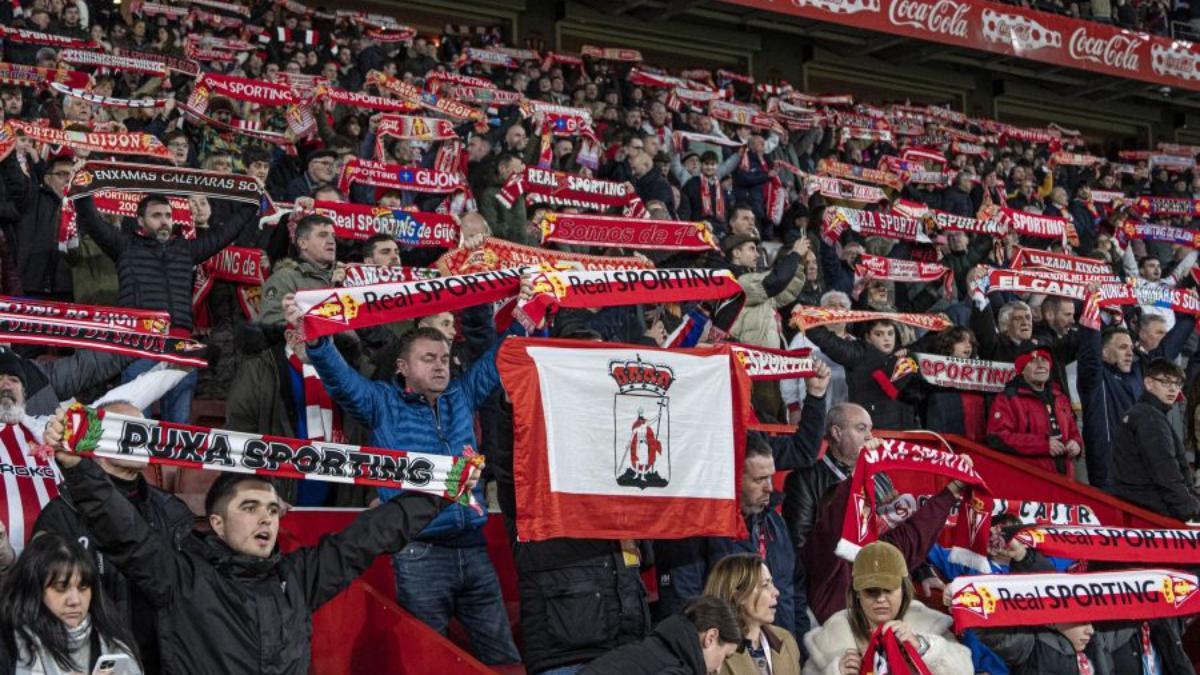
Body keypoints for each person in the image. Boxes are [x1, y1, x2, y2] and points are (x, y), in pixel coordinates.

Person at [39, 407, 451, 675]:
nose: (265, 519)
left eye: (272, 510)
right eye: (250, 507)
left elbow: (365, 539)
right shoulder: (181, 579)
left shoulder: (298, 577)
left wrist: (439, 492)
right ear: (216, 523)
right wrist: (79, 469)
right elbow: (123, 531)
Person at [284, 290, 526, 665]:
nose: (440, 366)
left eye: (444, 359)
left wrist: (526, 313)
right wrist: (317, 339)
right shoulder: (380, 403)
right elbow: (340, 380)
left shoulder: (461, 395)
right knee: (428, 662)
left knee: (504, 661)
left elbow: (498, 359)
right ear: (402, 366)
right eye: (428, 359)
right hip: (419, 555)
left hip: (474, 550)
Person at [32, 401, 194, 675]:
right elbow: (39, 602)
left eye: (145, 429)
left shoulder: (173, 510)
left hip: (166, 662)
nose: (142, 437)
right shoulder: (61, 514)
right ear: (97, 438)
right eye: (130, 429)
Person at [73, 193, 255, 423]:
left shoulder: (186, 250)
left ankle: (174, 461)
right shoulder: (124, 245)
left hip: (180, 346)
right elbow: (91, 220)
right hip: (141, 345)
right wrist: (83, 190)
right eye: (156, 216)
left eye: (168, 216)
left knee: (178, 427)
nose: (164, 221)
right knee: (136, 422)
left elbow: (226, 234)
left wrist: (252, 199)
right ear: (140, 220)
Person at [802, 542, 971, 675]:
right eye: (871, 591)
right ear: (857, 593)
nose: (881, 599)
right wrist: (835, 671)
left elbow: (965, 669)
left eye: (888, 590)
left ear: (904, 589)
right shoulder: (833, 635)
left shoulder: (932, 625)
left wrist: (923, 647)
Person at [0, 534, 143, 675]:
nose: (75, 601)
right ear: (35, 590)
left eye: (83, 587)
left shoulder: (114, 642)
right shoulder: (8, 644)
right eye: (61, 588)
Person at [1109, 359, 1200, 520]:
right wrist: (1189, 510)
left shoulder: (1143, 413)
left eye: (1177, 383)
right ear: (1149, 383)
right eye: (1165, 382)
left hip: (1142, 506)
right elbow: (1165, 470)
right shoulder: (1150, 418)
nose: (1173, 389)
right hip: (1151, 512)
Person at [579, 596, 743, 675]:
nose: (719, 669)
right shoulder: (676, 668)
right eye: (725, 656)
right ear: (711, 637)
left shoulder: (657, 650)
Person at [986, 346, 1083, 478]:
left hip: (1065, 481)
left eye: (1044, 360)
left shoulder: (1060, 397)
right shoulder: (1007, 399)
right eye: (1033, 360)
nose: (1041, 364)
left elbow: (1073, 431)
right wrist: (1042, 444)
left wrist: (1076, 444)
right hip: (1030, 481)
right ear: (1022, 369)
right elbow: (997, 437)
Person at [702, 554, 802, 675]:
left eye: (772, 583)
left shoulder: (785, 639)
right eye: (765, 585)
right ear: (738, 595)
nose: (776, 592)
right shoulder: (711, 651)